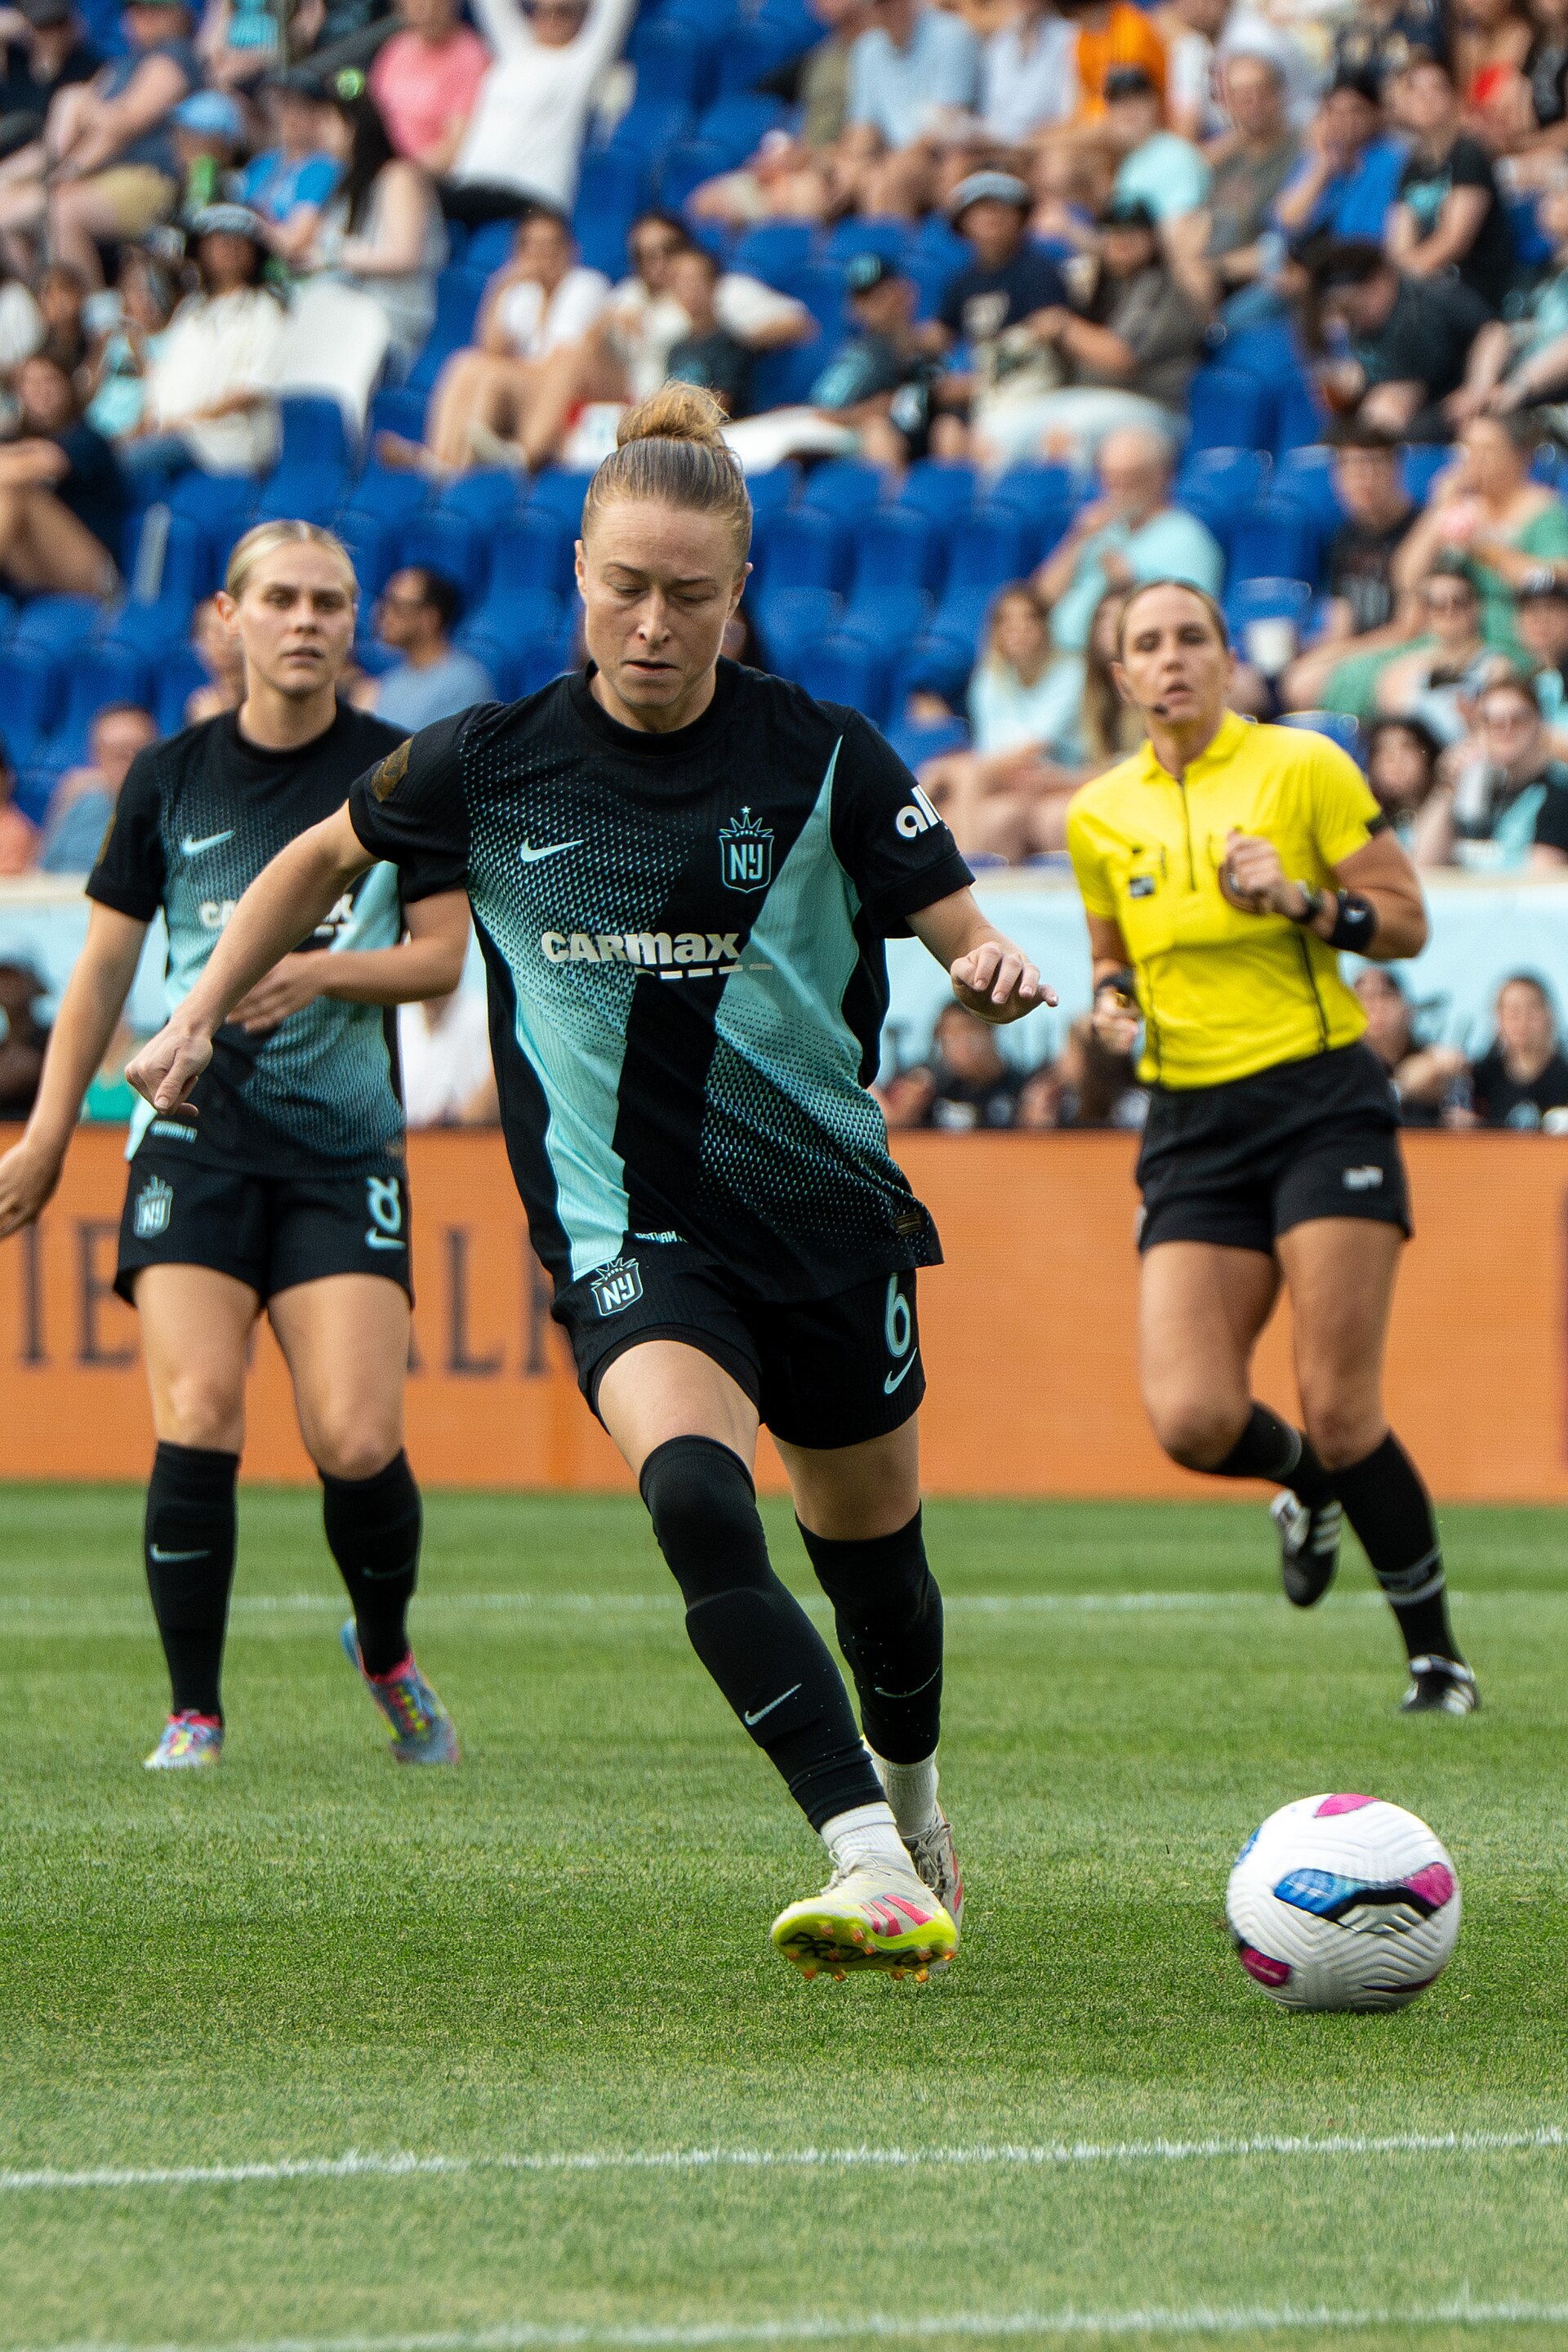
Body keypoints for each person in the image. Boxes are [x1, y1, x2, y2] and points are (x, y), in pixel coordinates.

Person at [123, 383, 1054, 1979]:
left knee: (878, 1573)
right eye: (626, 586)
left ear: (737, 595)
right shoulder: (484, 763)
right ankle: (858, 1850)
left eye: (689, 595)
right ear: (577, 572)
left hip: (828, 1217)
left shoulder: (823, 757)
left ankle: (909, 1791)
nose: (652, 622)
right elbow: (308, 866)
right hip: (631, 1228)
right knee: (694, 1492)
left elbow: (952, 918)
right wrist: (200, 1008)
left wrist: (987, 969)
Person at [0, 519, 473, 1772]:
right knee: (199, 1410)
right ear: (230, 616)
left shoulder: (401, 770)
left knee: (356, 1439)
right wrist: (49, 1137)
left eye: (329, 600)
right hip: (191, 1143)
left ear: (355, 619)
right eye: (282, 598)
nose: (307, 620)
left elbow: (440, 960)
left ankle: (385, 1653)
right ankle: (193, 1711)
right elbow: (102, 968)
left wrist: (316, 969)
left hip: (342, 1149)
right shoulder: (168, 775)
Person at [1067, 576, 1478, 1716]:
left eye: (1191, 636)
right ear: (1122, 676)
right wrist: (1111, 1010)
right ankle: (1305, 1489)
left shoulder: (1303, 767)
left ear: (1226, 656)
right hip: (1189, 1122)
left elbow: (1405, 920)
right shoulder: (1099, 812)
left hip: (1319, 1101)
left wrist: (1301, 900)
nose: (1172, 659)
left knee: (1342, 1407)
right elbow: (1113, 961)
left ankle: (1435, 1658)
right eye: (1146, 644)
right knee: (1193, 1421)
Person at [969, 196, 1209, 467]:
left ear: (1151, 239)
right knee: (997, 430)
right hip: (1092, 397)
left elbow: (1122, 357)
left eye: (1132, 232)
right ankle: (1002, 507)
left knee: (1070, 430)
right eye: (1112, 232)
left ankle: (1070, 507)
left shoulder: (1161, 287)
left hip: (1153, 406)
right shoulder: (1100, 284)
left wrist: (1063, 326)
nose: (1121, 240)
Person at [381, 205, 608, 475]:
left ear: (570, 249)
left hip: (566, 392)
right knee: (466, 362)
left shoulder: (585, 286)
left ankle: (477, 464)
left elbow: (558, 361)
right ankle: (441, 458)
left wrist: (504, 369)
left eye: (551, 246)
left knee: (493, 376)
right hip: (529, 386)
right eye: (532, 247)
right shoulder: (524, 292)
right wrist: (500, 285)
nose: (542, 256)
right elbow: (491, 350)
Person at [0, 0, 197, 287]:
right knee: (5, 210)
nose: (140, 19)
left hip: (148, 175)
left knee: (61, 210)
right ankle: (47, 306)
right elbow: (58, 146)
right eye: (136, 11)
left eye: (152, 12)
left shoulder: (175, 55)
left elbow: (125, 123)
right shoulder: (122, 63)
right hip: (94, 174)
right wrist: (8, 174)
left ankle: (94, 314)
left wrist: (80, 105)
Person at [119, 204, 284, 488]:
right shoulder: (191, 309)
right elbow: (164, 377)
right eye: (218, 240)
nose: (228, 248)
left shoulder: (265, 309)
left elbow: (254, 388)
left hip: (224, 441)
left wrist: (187, 420)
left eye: (238, 241)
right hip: (173, 433)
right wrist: (148, 422)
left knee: (122, 466)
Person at [917, 581, 1085, 858]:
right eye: (1006, 621)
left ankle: (968, 868)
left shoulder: (1071, 672)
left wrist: (962, 770)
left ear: (1045, 625)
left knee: (960, 773)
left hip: (1055, 770)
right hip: (1004, 775)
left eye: (1028, 618)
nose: (1018, 629)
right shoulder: (990, 677)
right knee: (949, 778)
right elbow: (991, 746)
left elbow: (1035, 747)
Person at [443, 0, 636, 229]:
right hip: (472, 185)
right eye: (541, 11)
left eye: (562, 12)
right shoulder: (514, 51)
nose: (551, 19)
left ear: (582, 18)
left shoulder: (581, 63)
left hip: (532, 193)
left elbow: (616, 8)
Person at [1034, 423, 1223, 653]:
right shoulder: (1097, 529)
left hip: (1123, 663)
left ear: (1162, 475)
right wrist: (1077, 538)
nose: (1118, 490)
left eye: (1132, 478)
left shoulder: (1187, 537)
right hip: (1058, 657)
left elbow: (1193, 618)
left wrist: (1131, 582)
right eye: (1110, 479)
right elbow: (1038, 601)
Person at [304, 78, 446, 385]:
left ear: (355, 127)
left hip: (388, 313)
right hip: (347, 306)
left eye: (328, 122)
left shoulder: (398, 176)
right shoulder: (345, 184)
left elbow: (405, 254)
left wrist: (337, 255)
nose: (320, 133)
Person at [1281, 427, 1418, 715]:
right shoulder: (1344, 536)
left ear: (1396, 469)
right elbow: (1341, 624)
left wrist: (1336, 655)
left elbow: (1410, 628)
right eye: (1352, 470)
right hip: (1360, 652)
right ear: (1337, 479)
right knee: (1291, 676)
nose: (1363, 481)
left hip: (1404, 651)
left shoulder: (1418, 532)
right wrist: (1306, 649)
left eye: (1373, 468)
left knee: (1305, 684)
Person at [1309, 240, 1492, 442]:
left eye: (1351, 308)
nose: (1348, 320)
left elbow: (1492, 330)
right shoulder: (1360, 326)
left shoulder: (1431, 298)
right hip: (1400, 408)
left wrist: (1477, 390)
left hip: (1448, 401)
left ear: (1379, 282)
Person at [1386, 57, 1514, 310]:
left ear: (1454, 98)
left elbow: (1453, 242)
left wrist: (1403, 283)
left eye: (1437, 88)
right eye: (1415, 89)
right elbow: (1399, 243)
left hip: (1472, 289)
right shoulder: (1412, 166)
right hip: (1426, 285)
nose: (1425, 97)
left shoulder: (1468, 154)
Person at [0, 348, 124, 598]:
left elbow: (47, 462)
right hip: (33, 566)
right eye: (31, 382)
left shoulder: (86, 438)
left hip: (94, 573)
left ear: (68, 385)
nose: (40, 390)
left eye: (49, 380)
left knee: (15, 493)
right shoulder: (15, 436)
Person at [1417, 668, 1568, 865]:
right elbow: (1424, 862)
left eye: (1517, 720)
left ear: (1539, 725)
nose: (1505, 730)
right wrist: (1448, 787)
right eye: (1492, 722)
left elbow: (1540, 884)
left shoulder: (1558, 794)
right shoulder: (1475, 789)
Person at [1200, 51, 1303, 316]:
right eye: (1241, 94)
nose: (1252, 101)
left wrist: (1214, 268)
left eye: (1261, 90)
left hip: (1261, 289)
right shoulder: (1222, 159)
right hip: (1206, 284)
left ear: (1280, 93)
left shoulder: (1301, 151)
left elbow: (1282, 244)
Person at [368, 0, 489, 178]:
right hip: (387, 167)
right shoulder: (393, 51)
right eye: (419, 6)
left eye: (435, 5)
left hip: (440, 181)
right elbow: (372, 121)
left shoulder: (471, 57)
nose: (427, 14)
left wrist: (403, 175)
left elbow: (455, 150)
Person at [38, 700, 158, 872]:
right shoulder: (81, 805)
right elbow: (42, 869)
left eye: (138, 751)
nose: (130, 763)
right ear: (96, 755)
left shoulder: (171, 815)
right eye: (117, 754)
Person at [368, 565, 492, 729]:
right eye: (384, 603)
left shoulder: (465, 682)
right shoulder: (390, 683)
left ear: (430, 618)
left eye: (397, 606)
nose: (385, 615)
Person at [238, 72, 341, 265]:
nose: (289, 117)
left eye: (300, 108)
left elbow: (296, 242)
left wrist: (249, 224)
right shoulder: (262, 163)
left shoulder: (324, 168)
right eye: (283, 106)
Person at [882, 1000, 1026, 1130]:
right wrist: (908, 1108)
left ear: (990, 1031)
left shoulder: (1020, 1088)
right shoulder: (931, 1087)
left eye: (967, 1031)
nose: (958, 1045)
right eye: (948, 1036)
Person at [1352, 964, 1466, 1124]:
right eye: (1363, 997)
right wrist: (1404, 1084)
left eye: (1384, 996)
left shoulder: (1430, 1055)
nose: (1374, 1006)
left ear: (1406, 1008)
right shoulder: (1343, 1064)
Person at [1466, 971, 1568, 1125]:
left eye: (1532, 1009)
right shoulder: (1479, 1080)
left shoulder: (1563, 1076)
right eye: (1513, 1010)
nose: (1523, 1020)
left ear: (1550, 1015)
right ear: (1498, 1019)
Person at [663, 246, 753, 419]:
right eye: (681, 282)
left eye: (696, 281)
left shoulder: (729, 344)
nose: (690, 290)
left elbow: (722, 404)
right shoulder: (676, 350)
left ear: (714, 284)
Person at [397, 985, 496, 1125]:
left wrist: (453, 1121)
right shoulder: (402, 1020)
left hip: (463, 1138)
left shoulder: (481, 1018)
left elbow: (490, 1106)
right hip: (409, 1136)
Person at [1364, 713, 1445, 844]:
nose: (1395, 760)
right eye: (1383, 751)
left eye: (1407, 748)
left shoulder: (1447, 809)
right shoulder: (1367, 821)